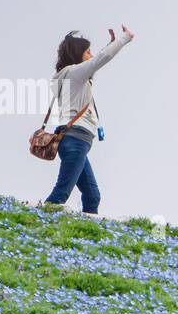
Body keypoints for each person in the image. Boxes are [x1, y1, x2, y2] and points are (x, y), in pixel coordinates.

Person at [44, 25, 134, 214]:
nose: (91, 55)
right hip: (76, 140)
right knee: (59, 195)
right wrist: (124, 38)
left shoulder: (69, 75)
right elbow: (101, 59)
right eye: (87, 52)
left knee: (92, 196)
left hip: (73, 140)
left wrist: (111, 44)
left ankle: (86, 239)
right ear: (77, 55)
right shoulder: (75, 73)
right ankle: (37, 226)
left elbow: (96, 61)